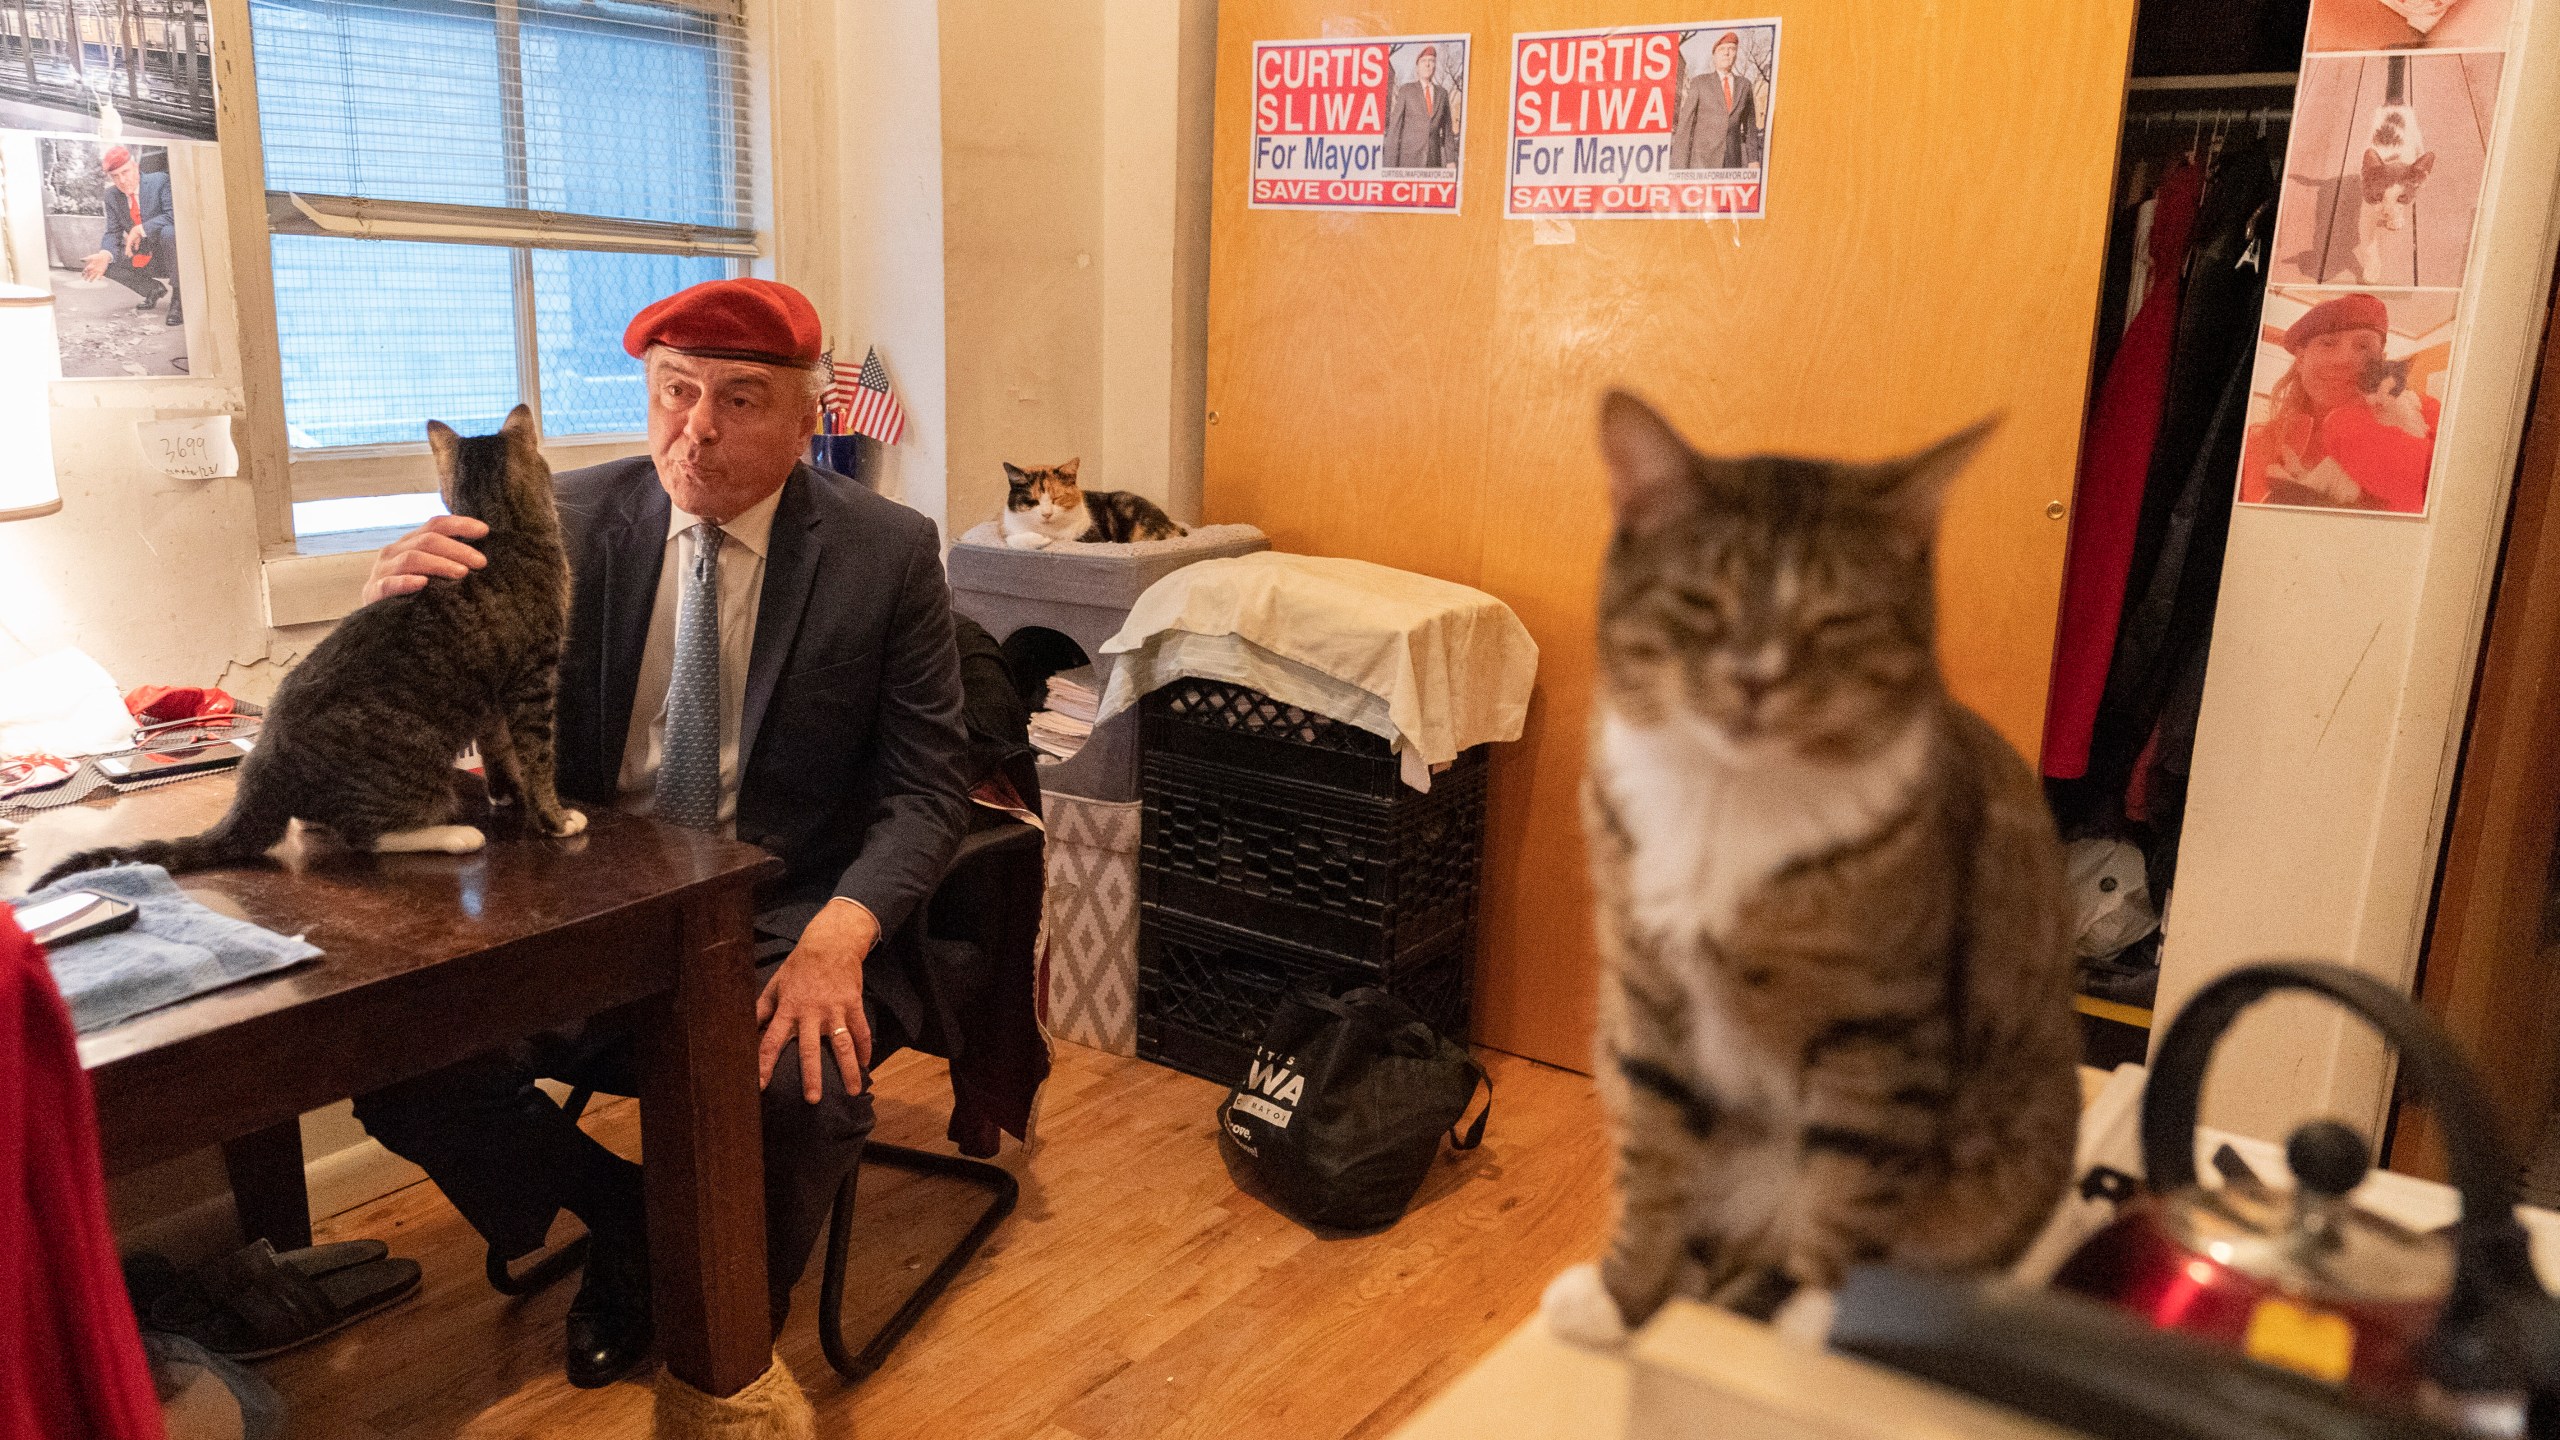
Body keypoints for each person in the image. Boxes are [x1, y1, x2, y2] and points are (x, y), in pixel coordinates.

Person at [349, 278, 971, 1388]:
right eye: (674, 392)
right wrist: (395, 623)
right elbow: (447, 723)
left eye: (740, 399)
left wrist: (843, 935)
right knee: (394, 1054)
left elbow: (928, 791)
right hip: (585, 891)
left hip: (776, 907)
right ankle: (633, 1228)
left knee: (803, 1089)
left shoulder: (885, 554)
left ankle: (726, 1304)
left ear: (807, 416)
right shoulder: (560, 523)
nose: (697, 428)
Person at [2239, 293, 2439, 513]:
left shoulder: (2429, 415)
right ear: (2301, 359)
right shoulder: (2254, 444)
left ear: (2381, 359)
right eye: (2327, 343)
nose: (2344, 360)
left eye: (2363, 346)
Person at [81, 146, 180, 326]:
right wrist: (104, 255)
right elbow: (113, 232)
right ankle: (152, 289)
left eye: (125, 172)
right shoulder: (111, 195)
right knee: (105, 261)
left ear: (135, 166)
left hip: (168, 253)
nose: (122, 180)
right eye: (115, 176)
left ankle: (178, 299)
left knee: (169, 231)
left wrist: (140, 229)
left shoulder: (159, 181)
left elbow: (173, 215)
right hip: (140, 253)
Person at [1672, 31, 1759, 172]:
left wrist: (1753, 159)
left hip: (1732, 164)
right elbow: (1685, 127)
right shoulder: (1700, 83)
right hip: (1702, 164)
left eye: (1731, 49)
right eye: (1722, 49)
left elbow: (1750, 127)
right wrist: (1679, 168)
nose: (1727, 53)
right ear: (1714, 56)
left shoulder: (1745, 85)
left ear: (1736, 54)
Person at [1383, 42, 1455, 169]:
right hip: (1408, 162)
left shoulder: (1442, 94)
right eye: (1423, 61)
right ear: (1417, 67)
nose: (1427, 64)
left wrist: (1450, 160)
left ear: (1435, 66)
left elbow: (1448, 131)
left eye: (1431, 61)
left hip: (1433, 162)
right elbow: (1394, 129)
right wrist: (1390, 166)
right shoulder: (1406, 90)